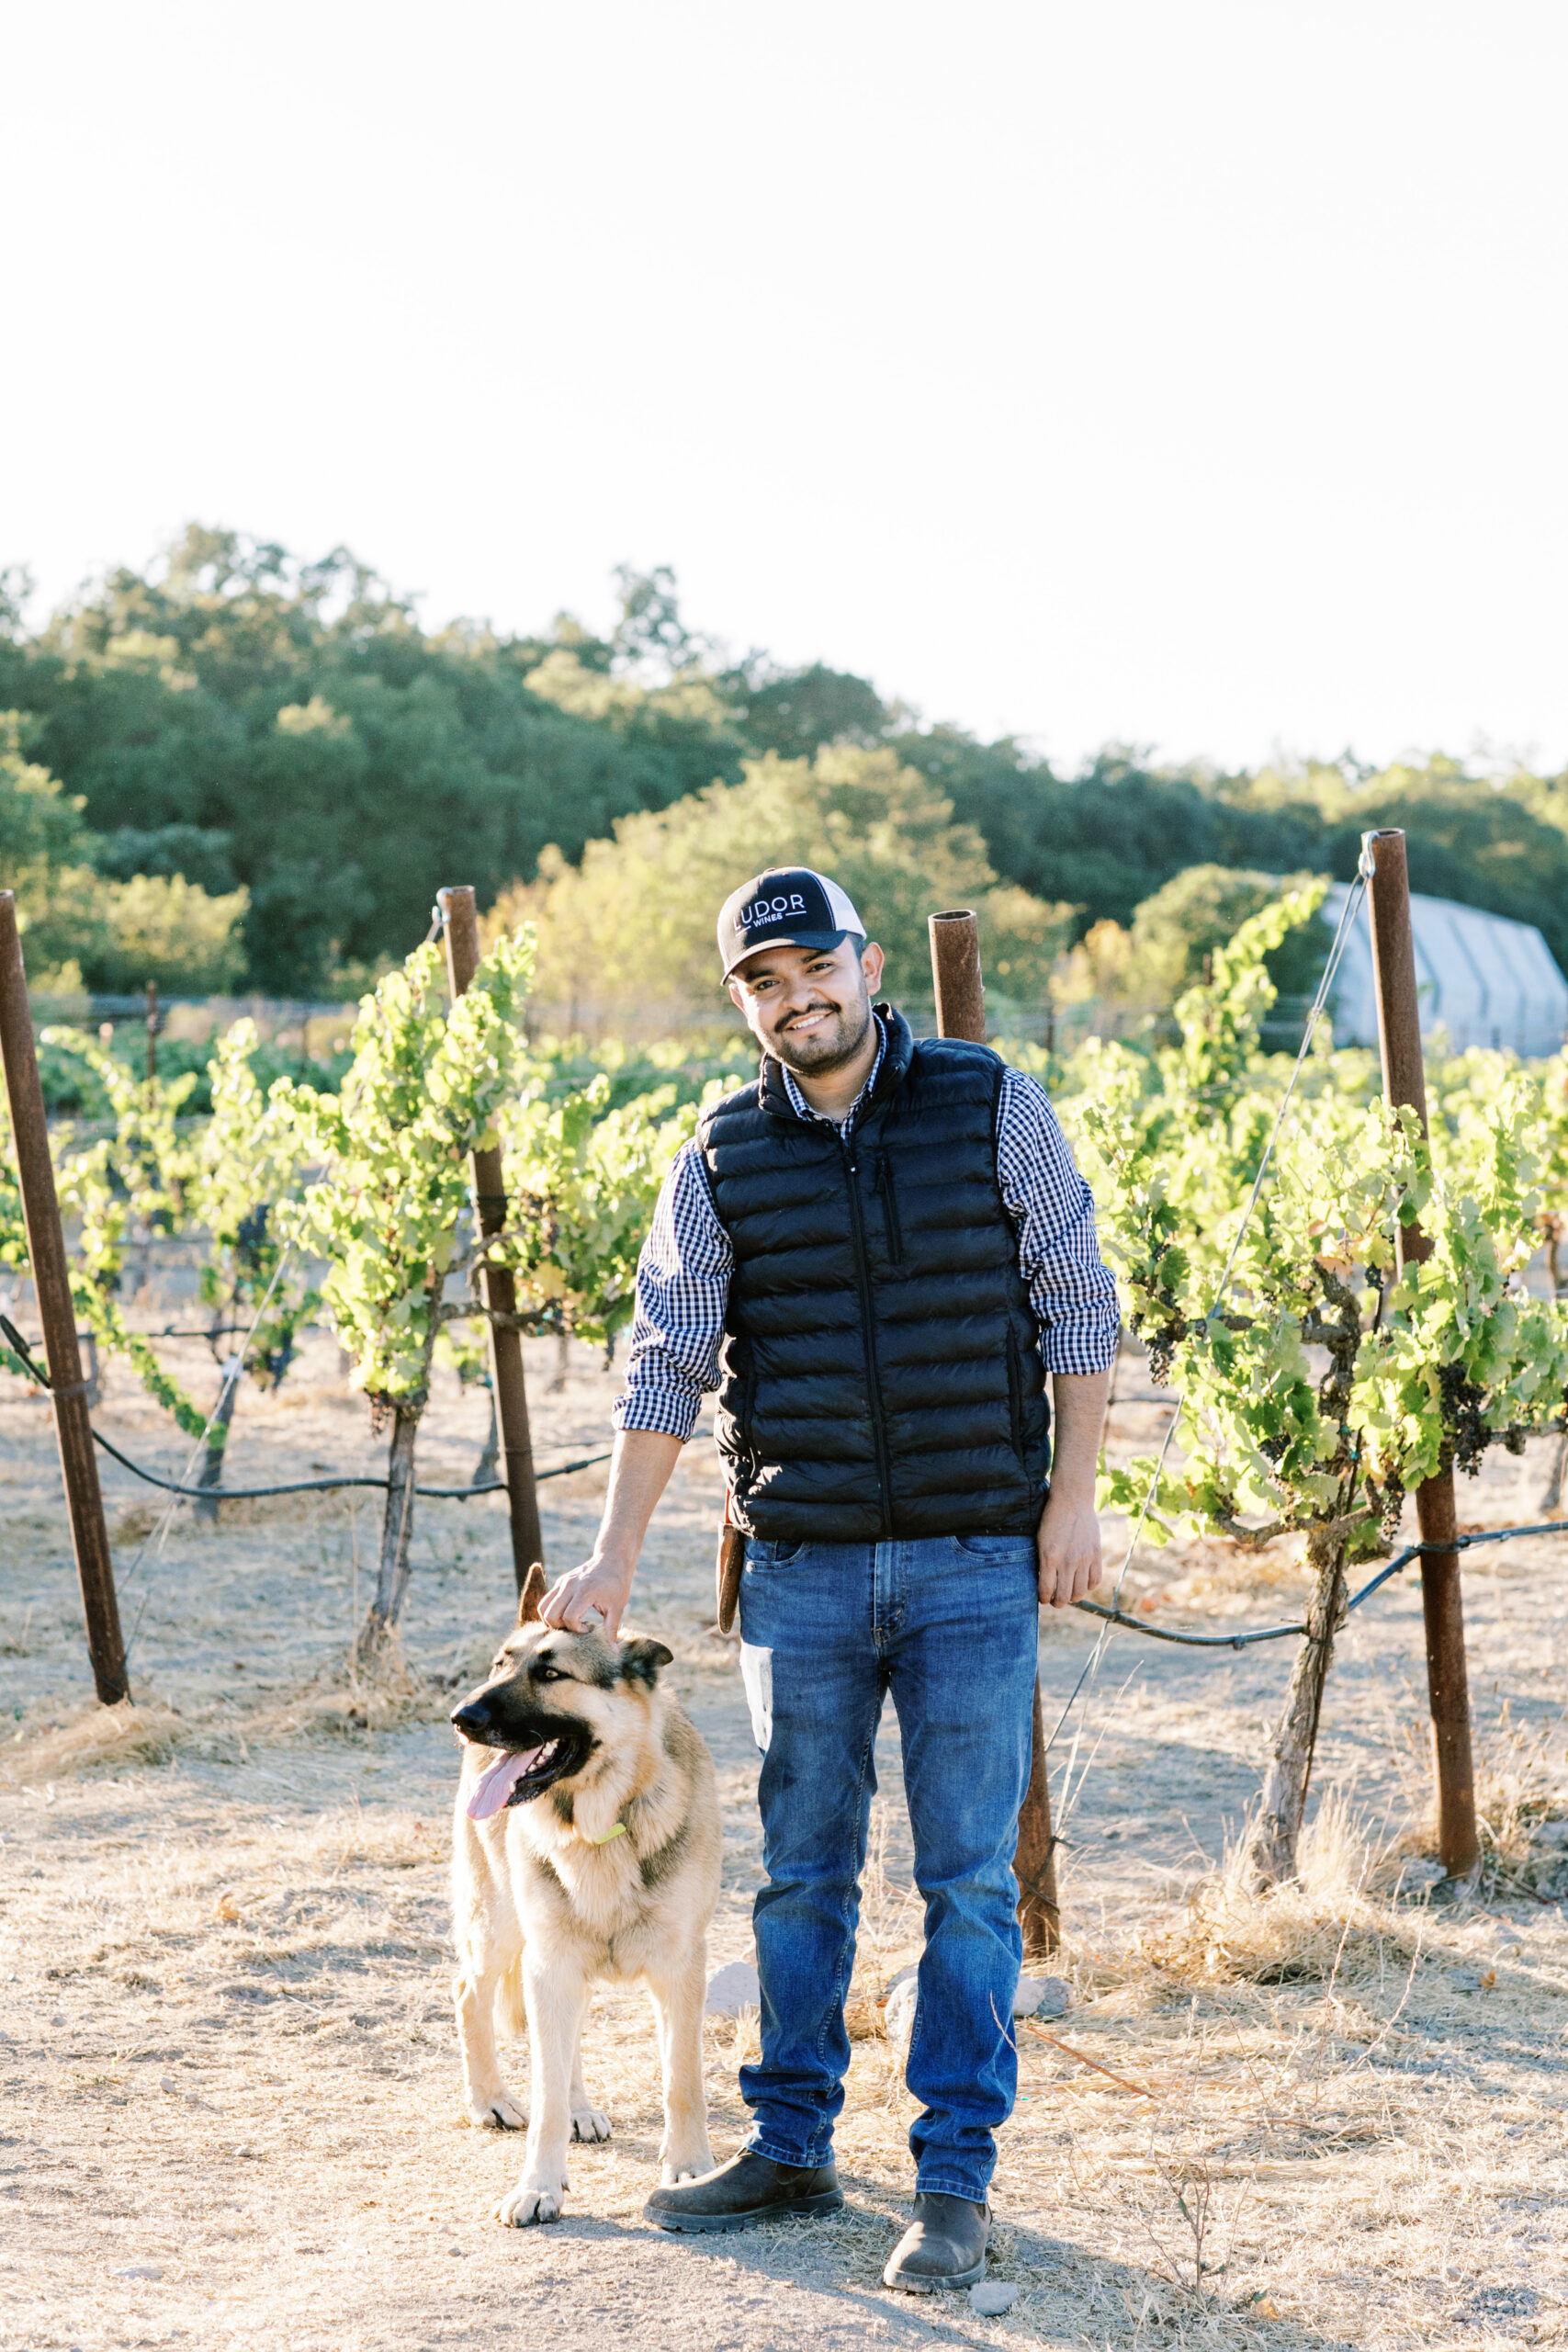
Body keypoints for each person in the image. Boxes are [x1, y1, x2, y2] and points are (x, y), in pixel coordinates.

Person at [539, 866, 1118, 2291]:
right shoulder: (720, 1155)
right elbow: (668, 1359)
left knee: (968, 1882)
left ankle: (954, 2181)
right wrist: (613, 1550)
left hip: (975, 1558)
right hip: (800, 1570)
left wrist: (1073, 1502)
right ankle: (791, 2141)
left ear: (865, 965)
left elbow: (1078, 1301)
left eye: (815, 966)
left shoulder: (993, 1103)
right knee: (804, 1874)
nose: (796, 997)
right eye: (763, 981)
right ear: (743, 1002)